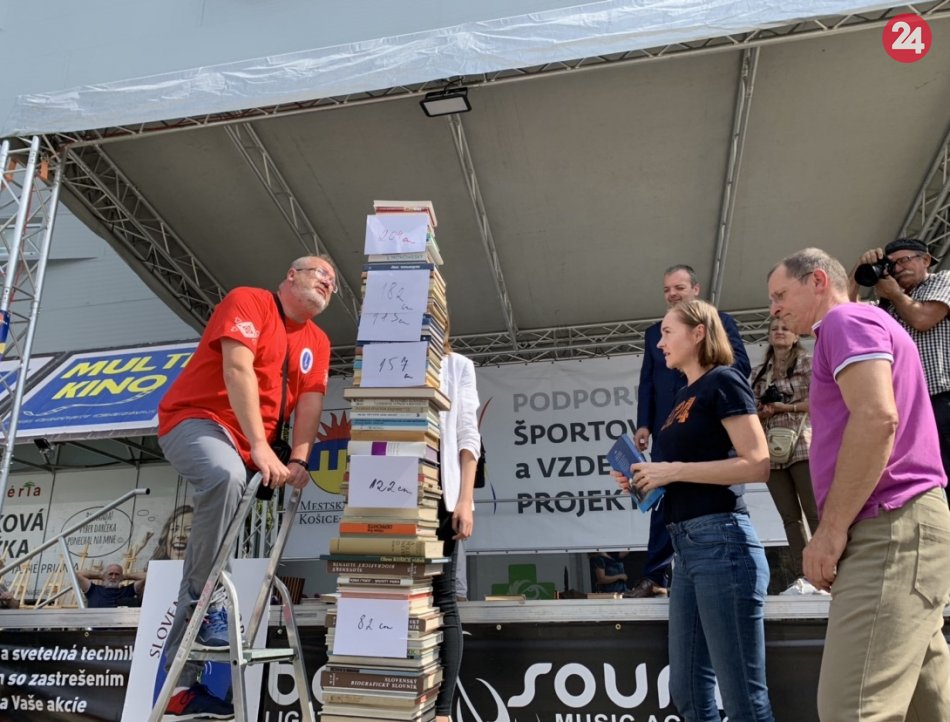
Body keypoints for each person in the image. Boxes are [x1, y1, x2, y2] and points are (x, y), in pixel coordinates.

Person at [768, 248, 950, 721]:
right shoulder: (866, 322)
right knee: (927, 709)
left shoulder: (844, 321)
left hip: (888, 525)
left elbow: (876, 418)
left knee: (852, 710)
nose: (774, 309)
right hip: (905, 525)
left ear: (818, 281)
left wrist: (829, 531)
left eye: (780, 294)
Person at [156, 256, 334, 720]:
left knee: (226, 536)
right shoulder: (249, 301)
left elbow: (310, 403)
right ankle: (209, 600)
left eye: (333, 282)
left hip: (250, 447)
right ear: (290, 275)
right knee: (225, 477)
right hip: (196, 421)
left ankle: (186, 687)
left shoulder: (318, 341)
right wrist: (259, 445)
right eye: (319, 273)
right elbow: (237, 370)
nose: (328, 282)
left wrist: (299, 458)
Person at [614, 299, 773, 721]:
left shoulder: (724, 380)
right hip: (686, 549)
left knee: (742, 698)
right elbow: (679, 479)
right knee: (686, 690)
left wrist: (670, 470)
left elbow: (758, 464)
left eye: (667, 332)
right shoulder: (682, 396)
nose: (659, 343)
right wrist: (642, 482)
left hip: (722, 542)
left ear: (698, 333)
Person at [632, 264, 751, 598]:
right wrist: (644, 422)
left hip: (704, 422)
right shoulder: (653, 333)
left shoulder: (720, 322)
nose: (672, 294)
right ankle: (656, 575)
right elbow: (647, 381)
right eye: (667, 289)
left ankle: (710, 564)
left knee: (705, 491)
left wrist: (700, 372)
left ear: (696, 290)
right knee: (660, 495)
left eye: (679, 288)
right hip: (666, 426)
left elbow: (740, 365)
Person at [849, 238, 950, 483]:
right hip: (909, 406)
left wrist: (894, 294)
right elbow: (846, 311)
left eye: (904, 260)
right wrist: (857, 272)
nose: (898, 268)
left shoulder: (943, 280)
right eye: (892, 264)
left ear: (925, 260)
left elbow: (922, 319)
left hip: (943, 397)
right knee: (929, 477)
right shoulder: (888, 305)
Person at [749, 317, 821, 593]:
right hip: (772, 448)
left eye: (785, 329)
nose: (779, 332)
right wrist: (764, 410)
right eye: (774, 329)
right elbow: (749, 411)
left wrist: (786, 407)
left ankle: (828, 568)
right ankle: (806, 575)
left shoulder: (808, 363)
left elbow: (821, 401)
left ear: (796, 335)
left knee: (814, 511)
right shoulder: (759, 372)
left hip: (802, 443)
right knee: (789, 517)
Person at [434, 339, 481, 722]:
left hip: (439, 498)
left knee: (444, 600)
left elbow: (468, 434)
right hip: (387, 498)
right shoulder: (381, 358)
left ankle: (442, 711)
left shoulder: (457, 365)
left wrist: (465, 499)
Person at [77, 563, 146, 608]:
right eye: (110, 574)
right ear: (105, 575)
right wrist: (100, 575)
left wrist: (126, 576)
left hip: (120, 625)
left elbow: (147, 576)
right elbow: (78, 574)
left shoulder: (128, 590)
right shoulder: (93, 590)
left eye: (117, 574)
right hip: (96, 625)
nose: (113, 577)